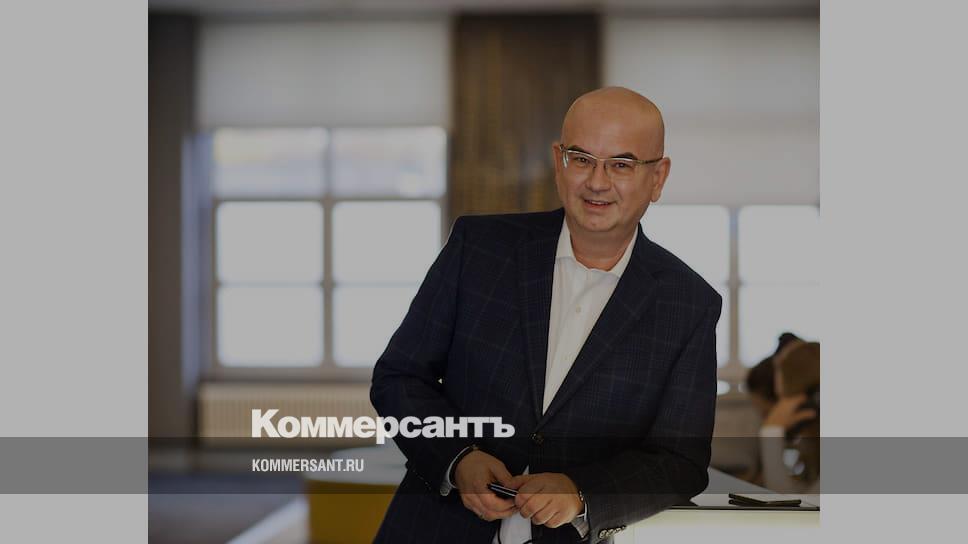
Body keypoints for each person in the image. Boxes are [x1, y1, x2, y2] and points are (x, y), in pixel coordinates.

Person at [370, 87, 722, 543]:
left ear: (658, 177)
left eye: (621, 164)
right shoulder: (479, 248)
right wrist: (458, 460)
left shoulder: (689, 304)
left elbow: (681, 461)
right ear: (559, 160)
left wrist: (582, 492)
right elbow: (399, 378)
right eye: (582, 159)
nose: (597, 182)